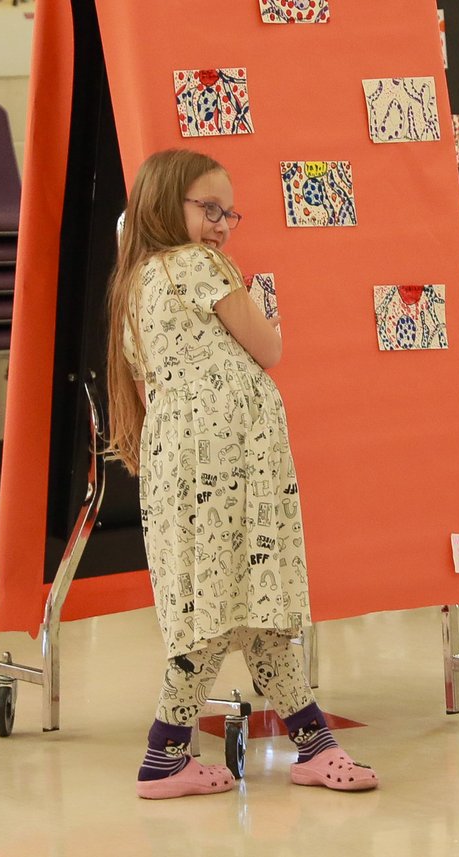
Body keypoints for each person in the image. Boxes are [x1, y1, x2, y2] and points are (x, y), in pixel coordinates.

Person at [105, 149, 378, 800]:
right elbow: (270, 347)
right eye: (208, 208)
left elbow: (150, 393)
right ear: (163, 205)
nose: (222, 223)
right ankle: (164, 754)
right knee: (226, 607)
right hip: (231, 471)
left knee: (254, 605)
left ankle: (314, 743)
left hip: (189, 466)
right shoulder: (198, 266)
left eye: (229, 211)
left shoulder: (135, 285)